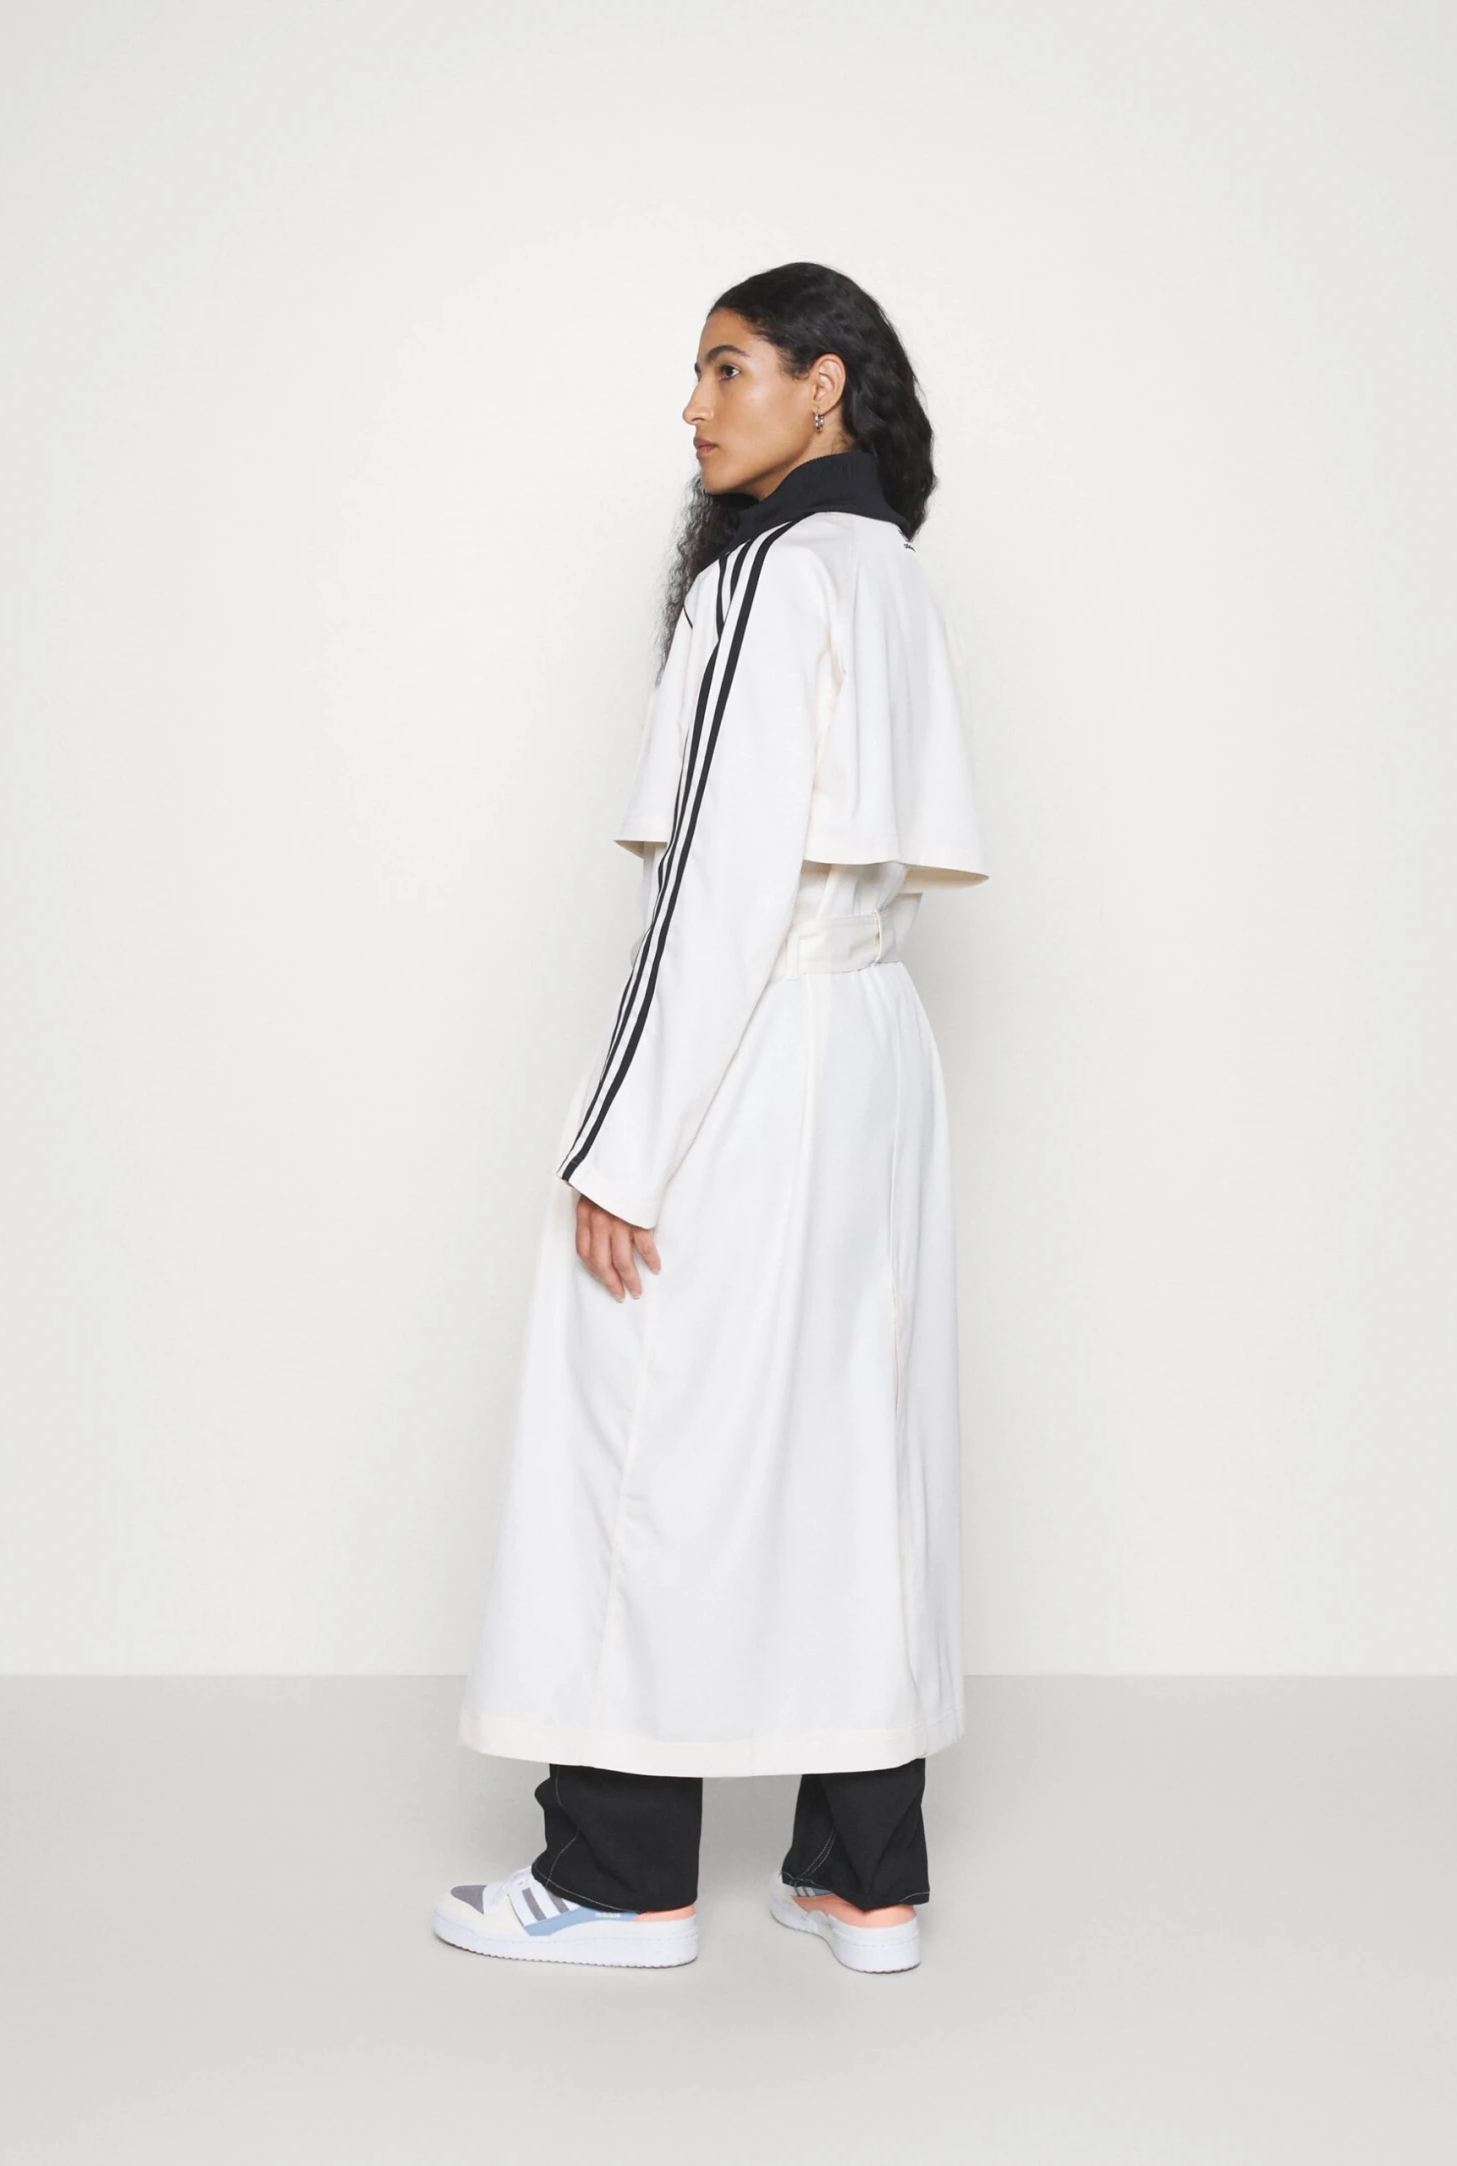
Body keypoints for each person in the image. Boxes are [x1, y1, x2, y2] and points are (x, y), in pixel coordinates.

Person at [433, 261, 988, 1974]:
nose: (693, 406)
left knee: (641, 1427)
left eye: (728, 367)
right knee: (853, 1445)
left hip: (753, 1046)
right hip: (873, 1043)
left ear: (825, 386)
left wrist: (620, 1140)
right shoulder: (886, 569)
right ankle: (866, 1876)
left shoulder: (768, 575)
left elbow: (716, 894)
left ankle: (617, 1876)